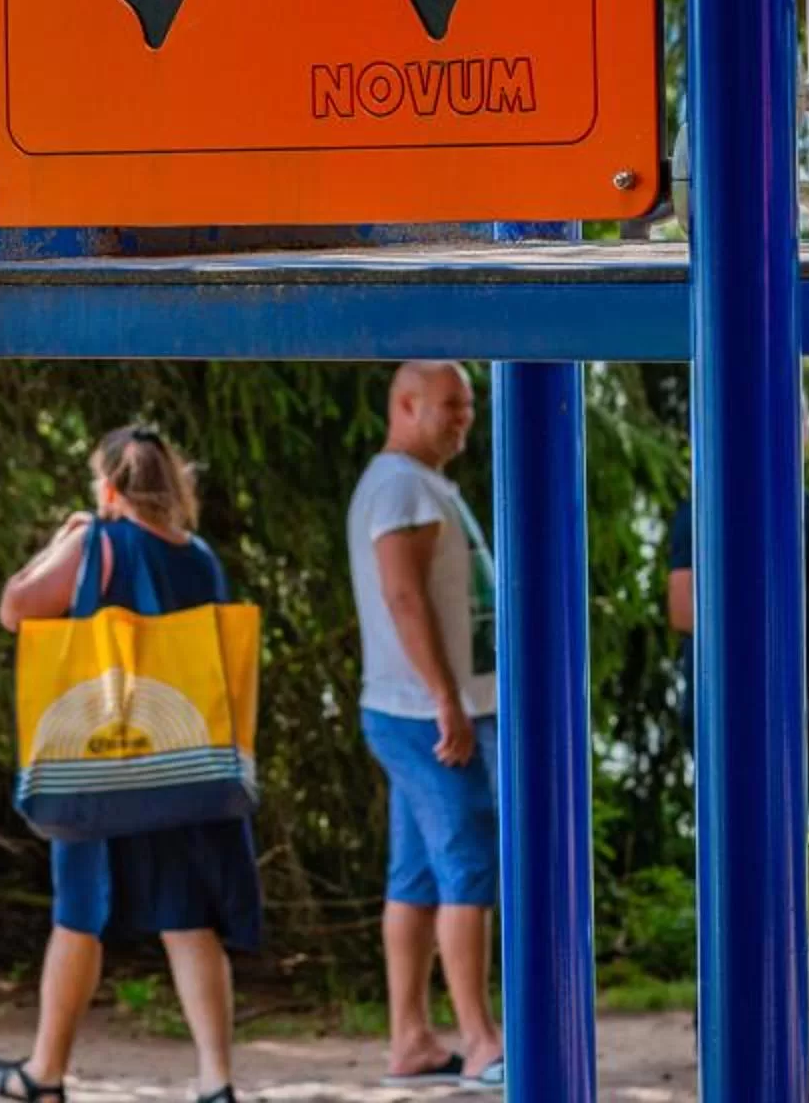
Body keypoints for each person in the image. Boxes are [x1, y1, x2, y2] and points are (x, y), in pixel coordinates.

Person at [0, 426, 257, 1103]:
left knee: (79, 916)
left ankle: (45, 1073)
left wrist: (65, 535)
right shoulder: (199, 556)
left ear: (107, 487)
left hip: (101, 763)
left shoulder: (97, 542)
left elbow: (17, 607)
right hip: (183, 763)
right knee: (188, 920)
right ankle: (216, 1081)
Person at [666, 482, 809, 1080]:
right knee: (734, 863)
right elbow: (683, 608)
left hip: (796, 710)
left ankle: (806, 1027)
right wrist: (765, 615)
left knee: (783, 865)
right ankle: (737, 1023)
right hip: (722, 711)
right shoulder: (702, 504)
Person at [346, 360, 502, 1087]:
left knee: (414, 876)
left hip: (416, 709)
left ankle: (411, 1040)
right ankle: (481, 1040)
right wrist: (447, 698)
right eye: (449, 405)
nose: (464, 417)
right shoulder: (403, 484)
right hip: (427, 716)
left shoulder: (417, 481)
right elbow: (403, 596)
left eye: (468, 405)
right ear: (405, 406)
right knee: (469, 861)